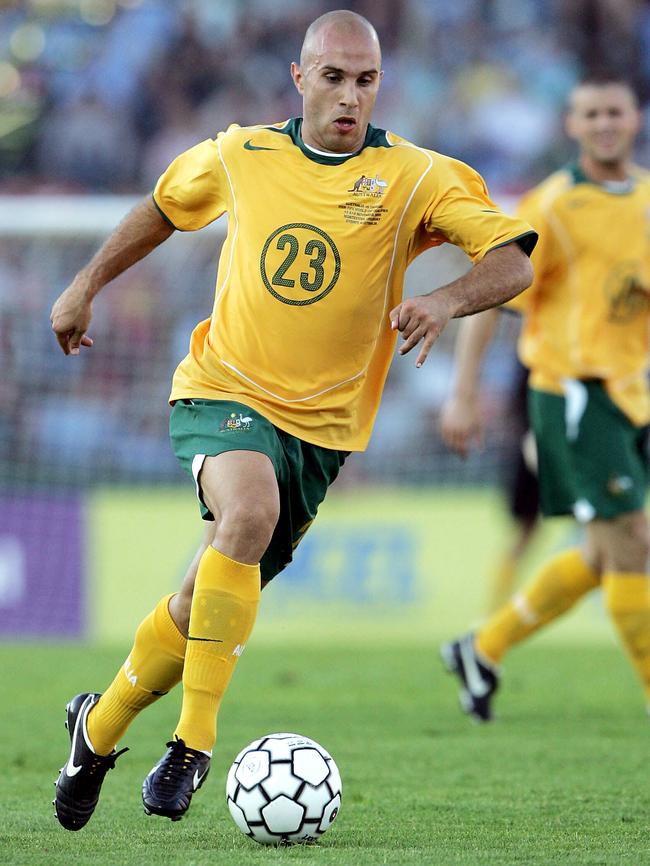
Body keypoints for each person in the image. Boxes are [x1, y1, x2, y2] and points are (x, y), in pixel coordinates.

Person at [50, 10, 535, 830]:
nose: (350, 96)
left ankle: (94, 733)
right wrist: (84, 284)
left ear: (381, 84)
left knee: (196, 601)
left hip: (322, 433)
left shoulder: (416, 176)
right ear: (299, 77)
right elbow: (164, 207)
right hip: (223, 388)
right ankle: (193, 746)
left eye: (366, 80)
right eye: (335, 77)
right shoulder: (242, 153)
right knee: (249, 508)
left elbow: (514, 258)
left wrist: (447, 299)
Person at [440, 73, 650, 723]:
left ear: (635, 118)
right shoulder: (552, 205)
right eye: (591, 114)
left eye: (615, 111)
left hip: (632, 397)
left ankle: (483, 646)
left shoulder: (647, 199)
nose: (605, 123)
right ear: (572, 125)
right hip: (574, 395)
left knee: (601, 553)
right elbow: (491, 291)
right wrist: (464, 393)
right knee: (635, 543)